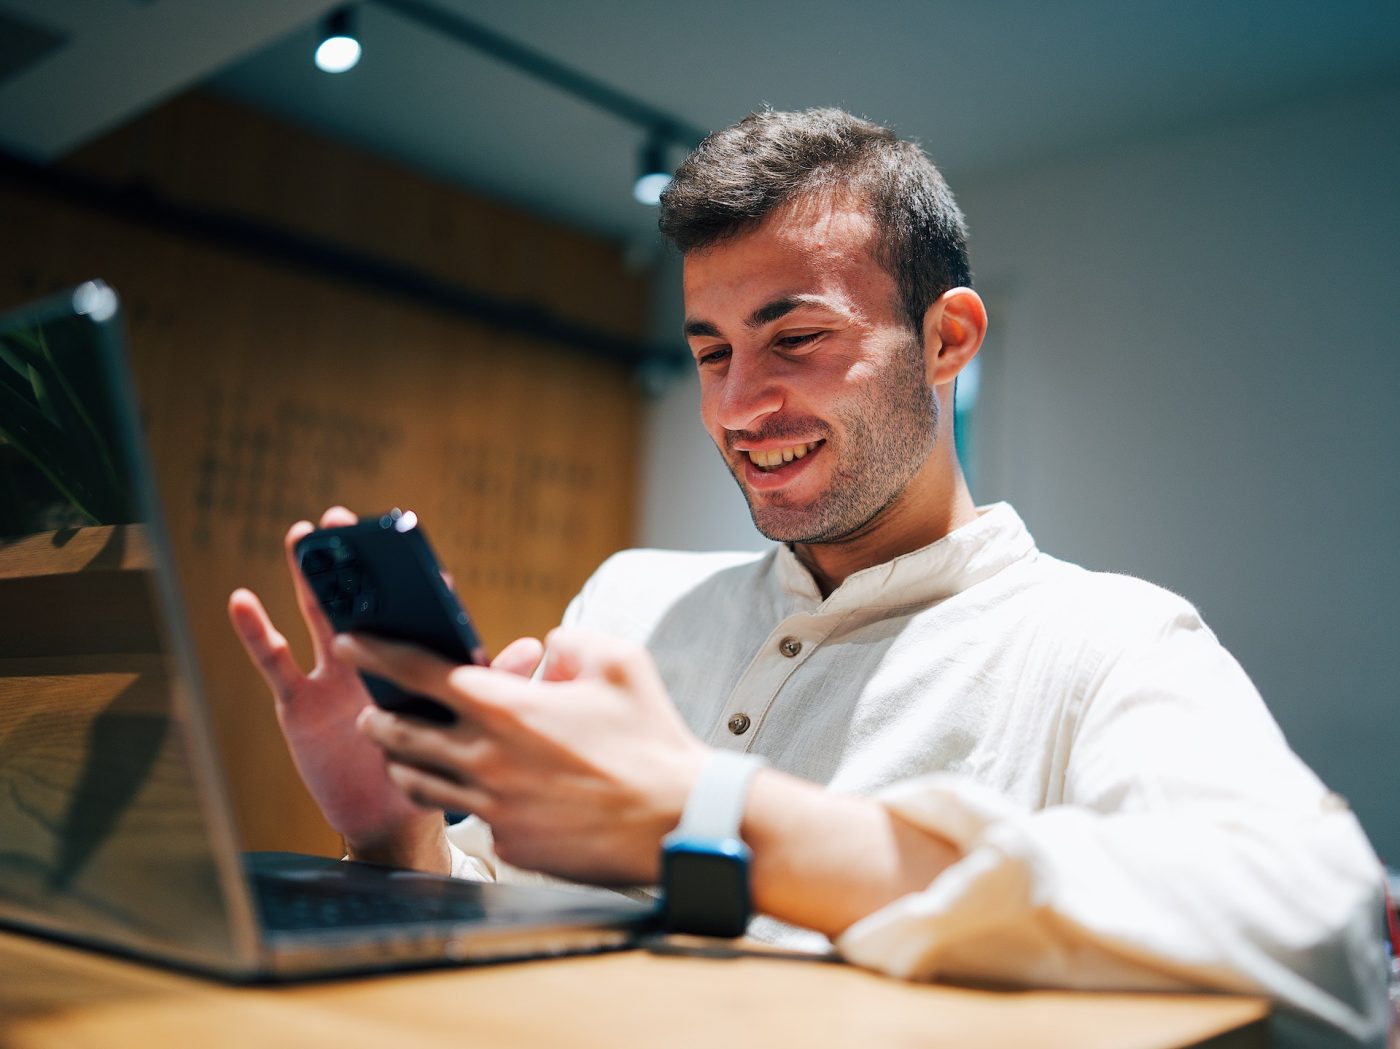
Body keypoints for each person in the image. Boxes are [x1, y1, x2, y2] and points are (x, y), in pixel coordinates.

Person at [228, 109, 1387, 1046]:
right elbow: (497, 902)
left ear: (946, 340)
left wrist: (712, 815)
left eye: (796, 339)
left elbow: (1321, 923)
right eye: (711, 351)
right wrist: (395, 835)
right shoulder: (630, 602)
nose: (738, 406)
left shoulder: (1104, 639)